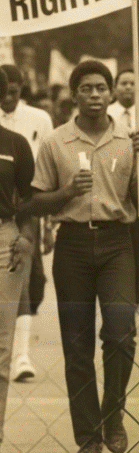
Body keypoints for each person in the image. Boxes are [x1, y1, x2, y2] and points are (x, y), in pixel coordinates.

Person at [28, 60, 139, 453]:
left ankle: (113, 413)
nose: (95, 95)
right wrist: (65, 193)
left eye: (102, 88)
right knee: (76, 344)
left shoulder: (129, 141)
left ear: (112, 93)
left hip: (117, 242)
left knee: (120, 333)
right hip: (73, 245)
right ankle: (88, 438)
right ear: (74, 94)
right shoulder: (56, 142)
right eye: (87, 88)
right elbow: (36, 200)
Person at [0, 65, 53, 382]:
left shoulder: (32, 126)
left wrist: (37, 230)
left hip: (15, 223)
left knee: (29, 286)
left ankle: (20, 355)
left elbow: (39, 184)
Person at [0, 66, 37, 453]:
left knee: (1, 343)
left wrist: (25, 237)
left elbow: (28, 201)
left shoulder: (15, 143)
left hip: (3, 241)